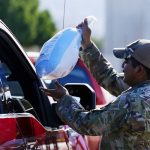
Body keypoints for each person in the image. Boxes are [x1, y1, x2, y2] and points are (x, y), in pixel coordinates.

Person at [40, 19, 150, 149]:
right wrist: (87, 46)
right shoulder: (140, 93)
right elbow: (112, 80)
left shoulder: (132, 101)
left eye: (126, 61)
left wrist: (64, 99)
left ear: (139, 70)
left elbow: (87, 124)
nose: (122, 66)